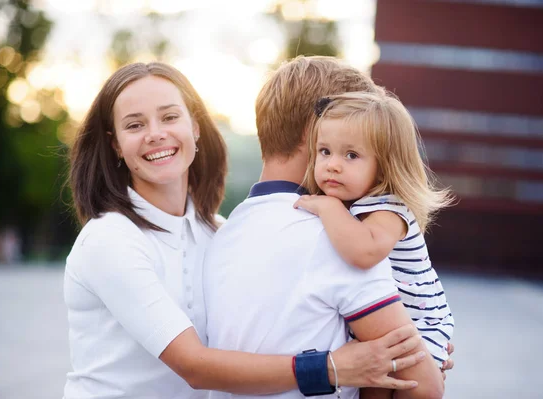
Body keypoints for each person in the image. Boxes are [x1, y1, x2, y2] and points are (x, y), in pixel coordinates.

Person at [63, 61, 426, 399]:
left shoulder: (219, 234)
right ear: (115, 145)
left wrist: (424, 340)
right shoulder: (110, 240)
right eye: (135, 124)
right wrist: (332, 367)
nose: (155, 134)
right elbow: (194, 365)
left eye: (169, 117)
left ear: (195, 127)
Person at [204, 56, 449, 399]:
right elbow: (422, 384)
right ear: (316, 132)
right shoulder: (333, 237)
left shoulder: (224, 235)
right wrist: (430, 355)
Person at [294, 91, 455, 398]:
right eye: (325, 151)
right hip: (381, 331)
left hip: (420, 325)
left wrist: (328, 208)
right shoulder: (353, 206)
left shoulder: (389, 209)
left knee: (416, 389)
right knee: (373, 388)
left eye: (351, 155)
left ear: (384, 166)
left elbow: (364, 253)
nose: (332, 165)